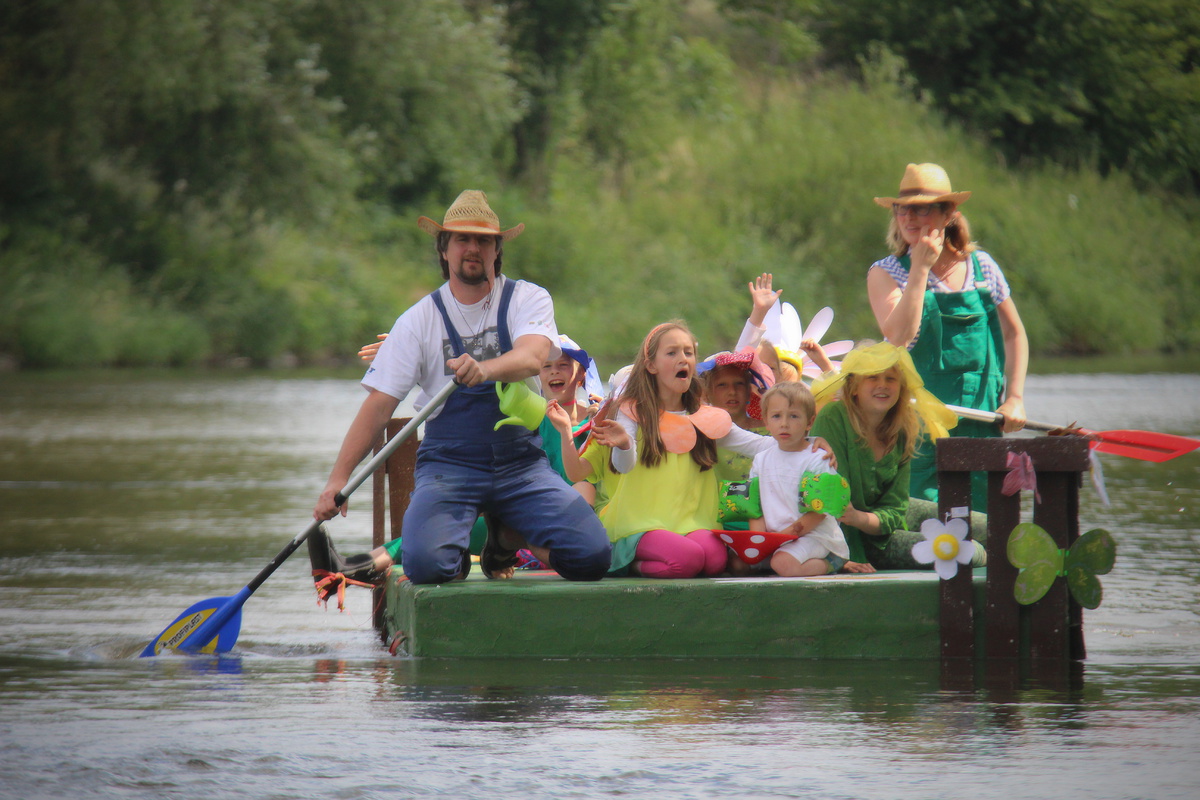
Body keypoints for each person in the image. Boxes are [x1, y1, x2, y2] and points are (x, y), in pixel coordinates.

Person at [309, 190, 611, 585]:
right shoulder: (416, 322)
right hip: (448, 465)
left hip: (520, 463)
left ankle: (505, 539)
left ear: (496, 250)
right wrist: (338, 479)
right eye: (462, 239)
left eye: (484, 240)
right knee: (427, 568)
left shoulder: (528, 298)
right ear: (444, 249)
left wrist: (484, 370)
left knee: (592, 557)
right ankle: (464, 550)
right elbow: (379, 406)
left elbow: (532, 357)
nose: (474, 248)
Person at [586, 321, 817, 579]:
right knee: (687, 561)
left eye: (688, 352)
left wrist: (810, 444)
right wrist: (626, 444)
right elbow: (623, 465)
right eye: (672, 352)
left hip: (689, 523)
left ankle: (670, 554)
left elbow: (759, 445)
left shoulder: (707, 418)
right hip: (641, 523)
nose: (683, 358)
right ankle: (626, 564)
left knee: (716, 560)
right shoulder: (633, 411)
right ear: (651, 365)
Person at [867, 163, 1028, 507]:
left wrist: (1015, 397)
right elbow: (898, 337)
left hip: (982, 425)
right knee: (924, 529)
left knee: (986, 529)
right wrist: (921, 269)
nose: (909, 217)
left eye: (922, 208)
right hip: (916, 431)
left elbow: (1014, 334)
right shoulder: (885, 272)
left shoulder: (983, 267)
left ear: (949, 213)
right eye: (902, 208)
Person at [809, 340, 986, 571]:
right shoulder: (833, 416)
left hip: (877, 521)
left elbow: (895, 507)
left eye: (891, 379)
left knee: (986, 526)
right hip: (850, 538)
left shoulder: (901, 428)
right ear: (854, 387)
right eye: (872, 377)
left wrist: (864, 518)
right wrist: (843, 559)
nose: (882, 385)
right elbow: (831, 504)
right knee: (965, 550)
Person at [746, 381, 850, 577]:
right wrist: (759, 541)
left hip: (814, 536)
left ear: (809, 423)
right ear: (766, 422)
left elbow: (819, 512)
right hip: (777, 539)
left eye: (794, 416)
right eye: (776, 416)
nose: (784, 423)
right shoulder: (761, 460)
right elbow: (755, 506)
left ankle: (832, 561)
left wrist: (786, 536)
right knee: (740, 563)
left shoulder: (817, 459)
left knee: (783, 564)